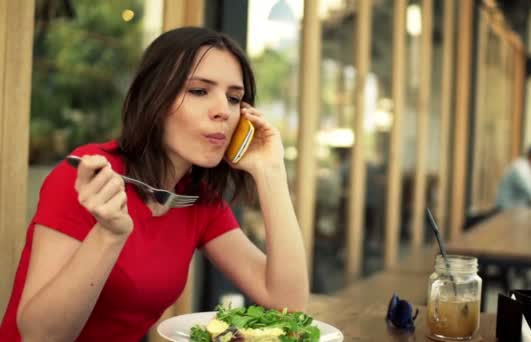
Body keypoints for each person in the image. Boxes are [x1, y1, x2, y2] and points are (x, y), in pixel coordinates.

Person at [0, 27, 309, 341]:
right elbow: (39, 335)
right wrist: (108, 235)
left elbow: (288, 304)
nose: (223, 112)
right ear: (155, 99)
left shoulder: (198, 200)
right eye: (199, 91)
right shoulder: (91, 175)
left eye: (234, 99)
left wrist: (271, 173)